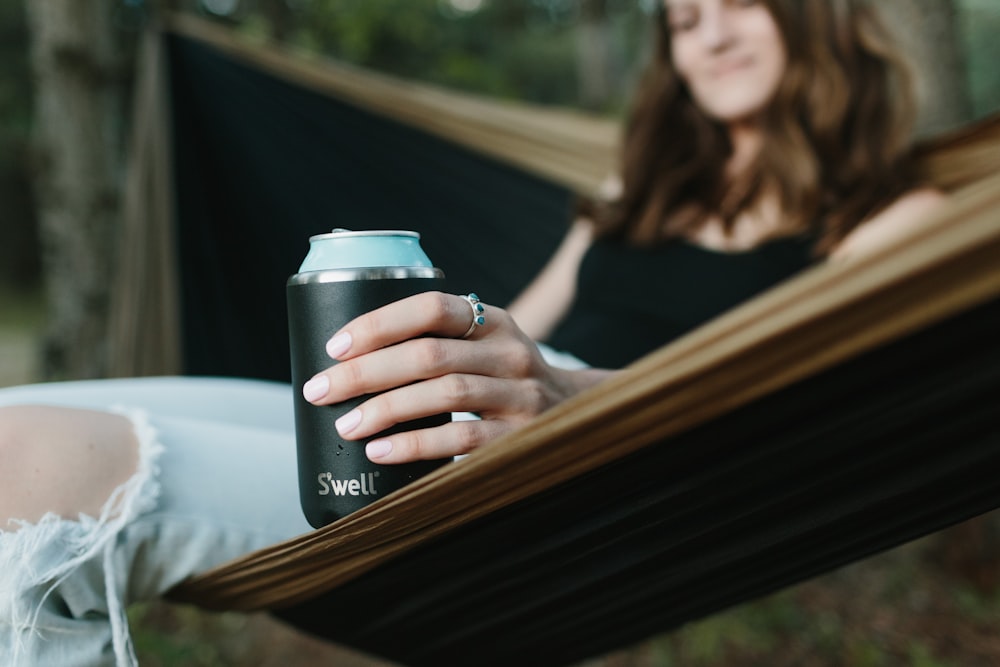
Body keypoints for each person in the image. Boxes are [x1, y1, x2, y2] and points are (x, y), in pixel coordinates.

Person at [0, 0, 946, 664]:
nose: (708, 35)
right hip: (480, 414)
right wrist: (466, 349)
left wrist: (570, 399)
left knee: (32, 464)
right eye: (684, 20)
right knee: (18, 412)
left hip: (583, 477)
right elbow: (523, 331)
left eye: (738, 4)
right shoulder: (638, 195)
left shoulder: (891, 222)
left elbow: (808, 413)